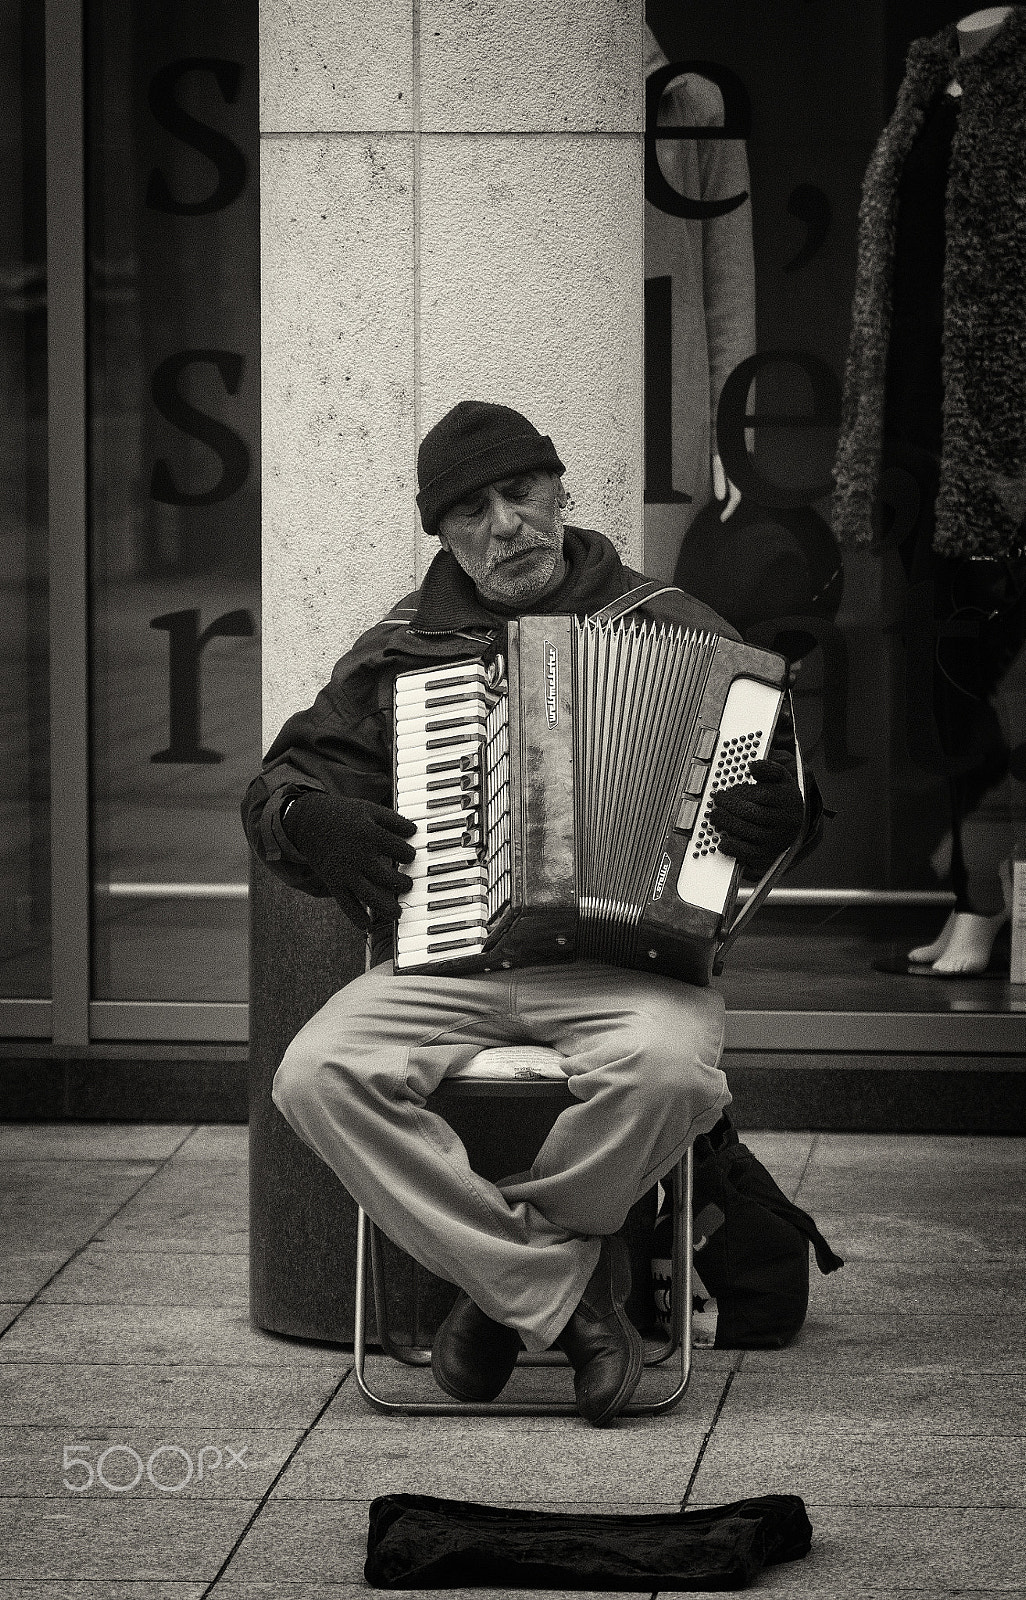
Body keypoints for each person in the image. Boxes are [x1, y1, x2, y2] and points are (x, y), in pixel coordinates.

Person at [242, 400, 814, 1425]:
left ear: (560, 490)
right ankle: (560, 1297)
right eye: (471, 511)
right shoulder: (399, 651)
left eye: (520, 494)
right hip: (447, 961)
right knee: (315, 1074)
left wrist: (781, 819)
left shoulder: (671, 623)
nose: (504, 526)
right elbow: (279, 791)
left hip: (631, 968)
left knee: (674, 1071)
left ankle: (494, 1304)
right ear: (444, 533)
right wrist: (312, 819)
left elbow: (789, 789)